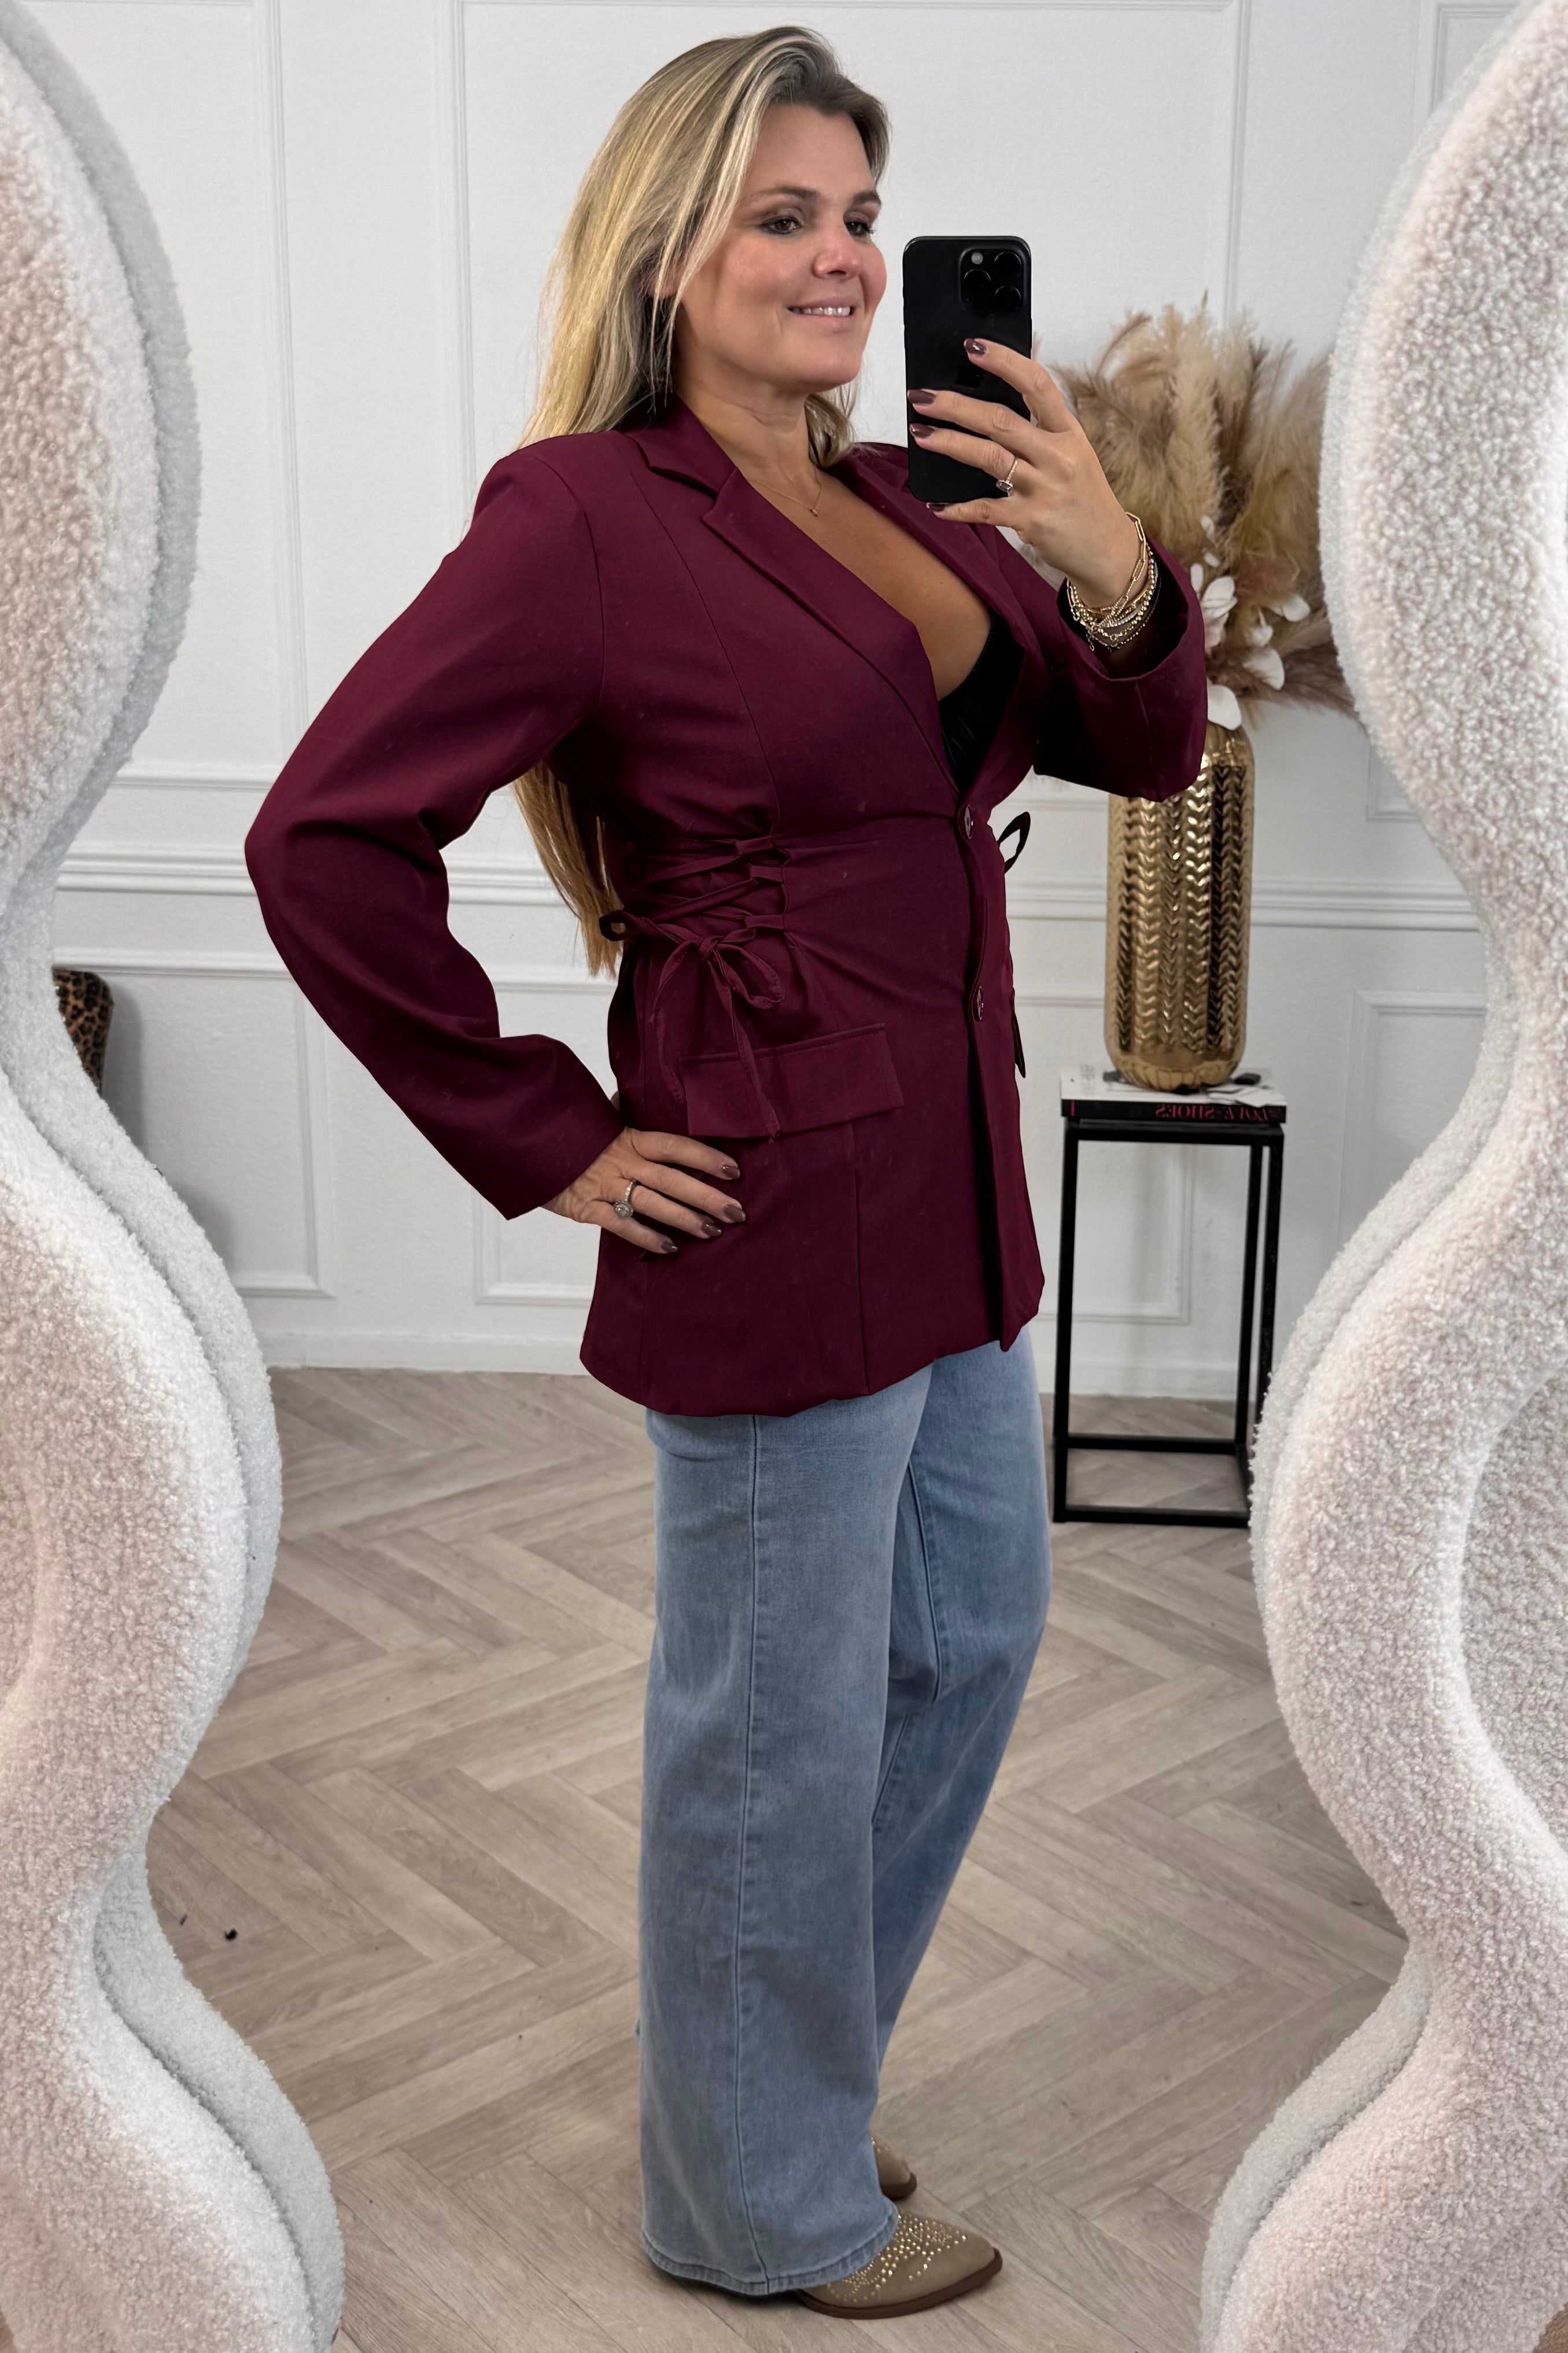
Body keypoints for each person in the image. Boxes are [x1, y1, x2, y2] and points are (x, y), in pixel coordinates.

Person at [243, 21, 1208, 2321]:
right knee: (769, 1731)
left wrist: (1112, 563)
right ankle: (755, 2200)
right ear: (669, 248)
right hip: (770, 1190)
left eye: (861, 216)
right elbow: (322, 839)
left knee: (969, 1638)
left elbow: (1144, 752)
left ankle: (771, 2089)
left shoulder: (913, 499)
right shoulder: (580, 516)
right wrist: (549, 1132)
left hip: (953, 1186)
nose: (844, 257)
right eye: (786, 216)